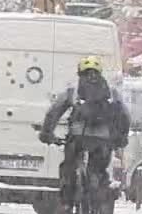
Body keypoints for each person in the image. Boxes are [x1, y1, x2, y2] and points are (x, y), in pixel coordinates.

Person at [39, 56, 131, 205]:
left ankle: (67, 202)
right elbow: (125, 116)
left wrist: (47, 133)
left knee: (68, 167)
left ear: (79, 73)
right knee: (100, 171)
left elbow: (54, 112)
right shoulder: (111, 93)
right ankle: (100, 202)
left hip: (77, 139)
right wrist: (121, 138)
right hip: (102, 141)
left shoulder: (73, 92)